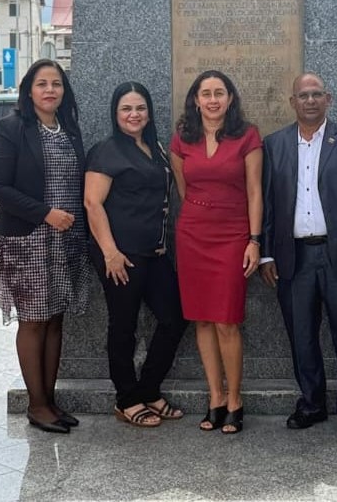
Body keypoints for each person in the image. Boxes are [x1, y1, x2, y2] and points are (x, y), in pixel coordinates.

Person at [260, 73, 337, 440]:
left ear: (328, 99)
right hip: (293, 257)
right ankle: (311, 403)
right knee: (302, 336)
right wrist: (266, 255)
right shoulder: (274, 145)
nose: (310, 101)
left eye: (316, 94)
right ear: (292, 101)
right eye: (302, 95)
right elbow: (265, 204)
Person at [0, 59, 91, 435]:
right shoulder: (12, 128)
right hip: (29, 237)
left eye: (57, 84)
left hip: (68, 239)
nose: (50, 90)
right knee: (33, 321)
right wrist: (46, 213)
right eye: (42, 83)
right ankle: (36, 404)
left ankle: (50, 399)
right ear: (29, 90)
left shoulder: (70, 130)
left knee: (55, 319)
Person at [84, 82, 188, 428]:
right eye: (126, 109)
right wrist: (110, 252)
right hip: (120, 255)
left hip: (155, 253)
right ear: (116, 114)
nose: (134, 115)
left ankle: (148, 389)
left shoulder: (155, 148)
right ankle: (126, 399)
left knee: (175, 317)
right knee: (123, 326)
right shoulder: (106, 150)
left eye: (140, 108)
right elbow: (92, 203)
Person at [170, 70, 262, 434]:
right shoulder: (182, 138)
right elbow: (183, 187)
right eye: (205, 93)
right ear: (195, 99)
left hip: (232, 235)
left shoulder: (248, 136)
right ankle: (215, 397)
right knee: (202, 319)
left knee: (226, 320)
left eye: (219, 93)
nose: (212, 100)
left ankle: (236, 399)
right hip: (192, 234)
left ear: (230, 98)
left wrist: (254, 239)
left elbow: (255, 190)